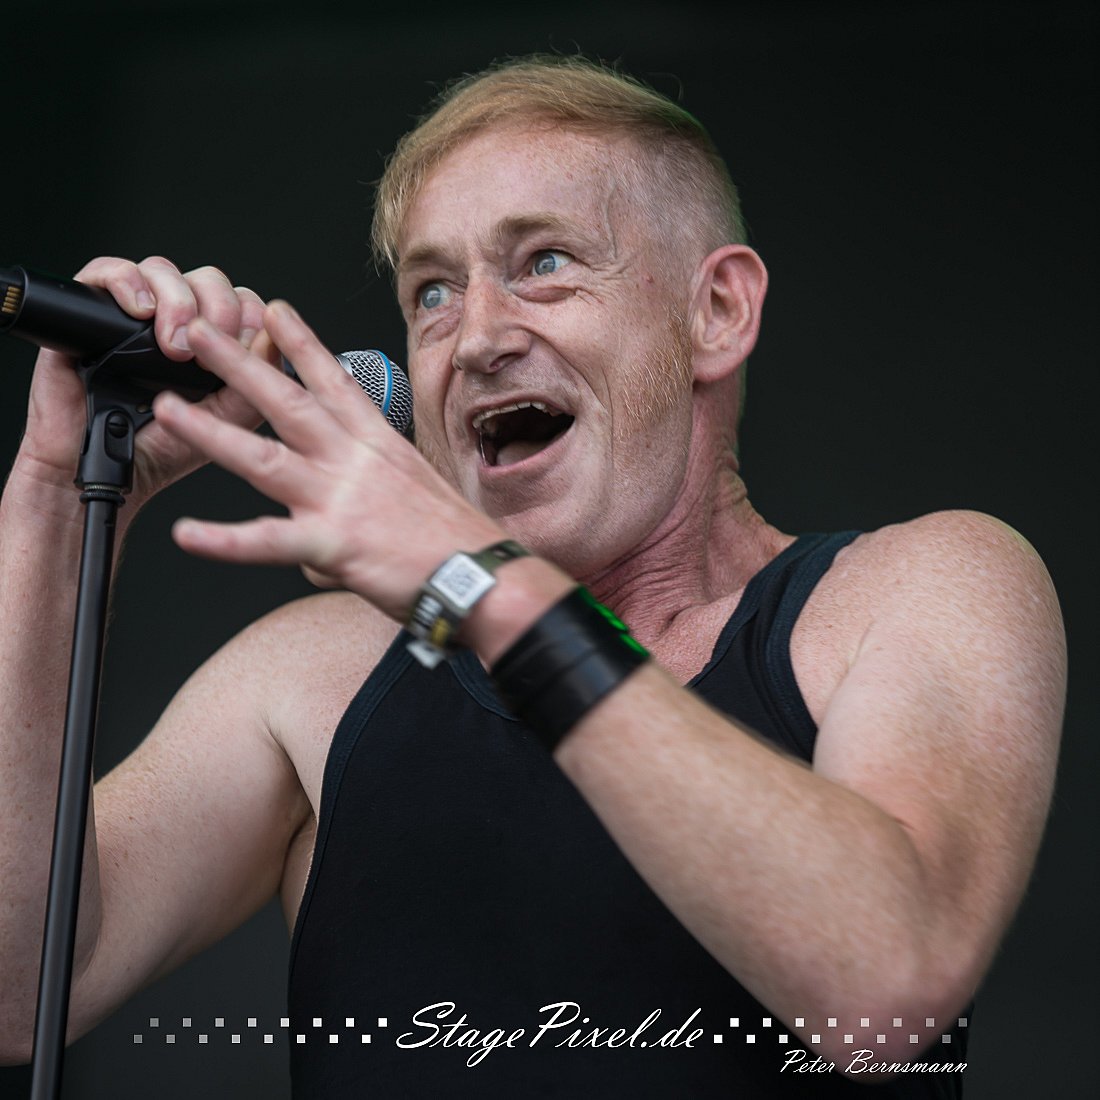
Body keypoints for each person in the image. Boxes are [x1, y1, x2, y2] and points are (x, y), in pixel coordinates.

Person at [0, 55, 1065, 1096]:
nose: (476, 339)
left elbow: (885, 991)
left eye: (545, 262)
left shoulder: (917, 587)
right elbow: (17, 991)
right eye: (432, 291)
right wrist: (53, 493)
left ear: (719, 312)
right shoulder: (315, 677)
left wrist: (478, 585)